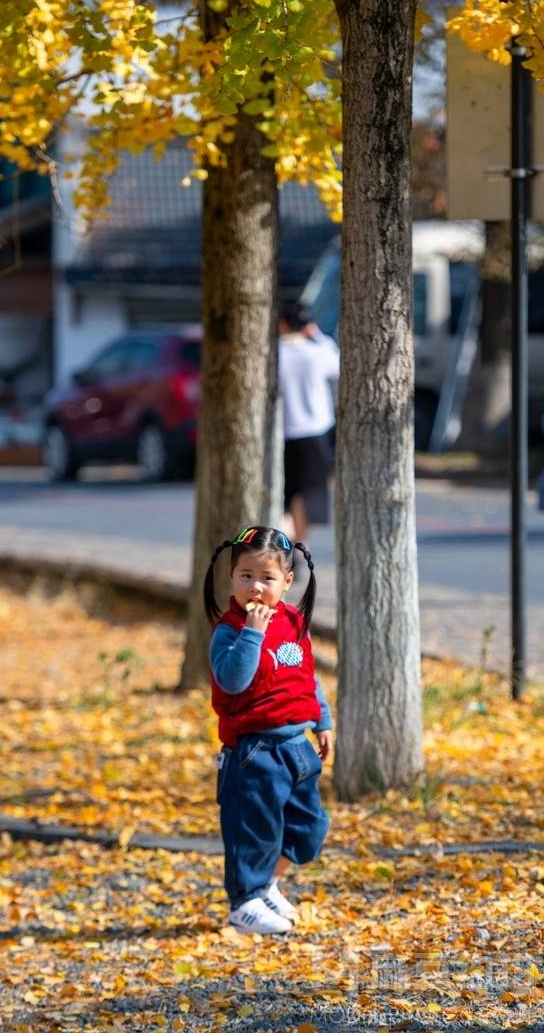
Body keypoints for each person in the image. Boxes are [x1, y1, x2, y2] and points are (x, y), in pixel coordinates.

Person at [204, 524, 333, 936]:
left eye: (267, 578)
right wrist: (252, 635)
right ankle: (244, 903)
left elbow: (306, 676)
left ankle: (267, 885)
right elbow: (233, 680)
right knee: (254, 830)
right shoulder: (229, 631)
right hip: (254, 751)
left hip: (297, 747)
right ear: (232, 578)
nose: (256, 588)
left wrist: (323, 719)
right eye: (246, 577)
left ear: (287, 582)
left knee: (307, 828)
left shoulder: (295, 620)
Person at [278, 302, 340, 544]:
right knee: (309, 495)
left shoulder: (274, 354)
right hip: (315, 433)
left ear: (281, 323)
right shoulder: (318, 353)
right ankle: (299, 549)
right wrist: (318, 335)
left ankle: (284, 542)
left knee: (285, 495)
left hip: (283, 433)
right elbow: (338, 365)